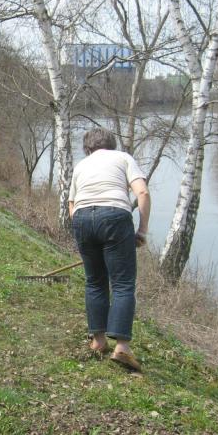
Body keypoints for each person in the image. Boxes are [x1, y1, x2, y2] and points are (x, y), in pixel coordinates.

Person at [67, 127, 151, 372]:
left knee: (94, 282)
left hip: (82, 218)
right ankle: (122, 347)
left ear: (87, 148)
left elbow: (71, 204)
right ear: (112, 144)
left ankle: (98, 341)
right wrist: (142, 231)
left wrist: (88, 230)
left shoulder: (81, 166)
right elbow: (142, 192)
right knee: (123, 283)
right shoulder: (123, 158)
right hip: (115, 216)